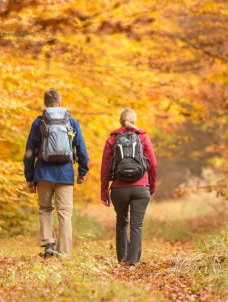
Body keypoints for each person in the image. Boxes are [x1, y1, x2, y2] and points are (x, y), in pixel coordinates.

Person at [23, 88, 89, 258]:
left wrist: (29, 177)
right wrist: (83, 171)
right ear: (60, 102)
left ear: (45, 103)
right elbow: (80, 147)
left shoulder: (39, 122)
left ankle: (48, 245)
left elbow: (29, 151)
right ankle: (65, 253)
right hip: (65, 174)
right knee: (64, 214)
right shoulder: (71, 121)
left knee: (45, 209)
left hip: (43, 174)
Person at [100, 108, 157, 266]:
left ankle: (122, 258)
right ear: (135, 121)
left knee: (122, 222)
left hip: (119, 189)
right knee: (137, 224)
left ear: (120, 121)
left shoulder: (112, 139)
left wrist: (104, 192)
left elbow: (105, 167)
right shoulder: (142, 136)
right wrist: (151, 186)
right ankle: (133, 261)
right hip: (140, 188)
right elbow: (153, 163)